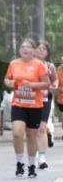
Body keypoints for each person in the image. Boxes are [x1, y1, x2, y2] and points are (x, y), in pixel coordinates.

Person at [5, 38, 51, 178]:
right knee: (17, 133)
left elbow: (46, 84)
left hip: (35, 105)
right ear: (19, 50)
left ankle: (31, 165)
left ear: (33, 51)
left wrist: (31, 85)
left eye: (28, 47)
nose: (25, 49)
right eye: (23, 47)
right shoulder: (14, 63)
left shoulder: (39, 65)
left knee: (31, 136)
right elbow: (6, 80)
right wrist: (11, 82)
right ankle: (20, 162)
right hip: (18, 104)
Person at [34, 40, 58, 170]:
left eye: (44, 49)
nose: (41, 51)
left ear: (47, 52)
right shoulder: (29, 65)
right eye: (39, 48)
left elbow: (55, 80)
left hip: (46, 100)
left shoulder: (50, 66)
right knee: (34, 130)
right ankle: (35, 155)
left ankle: (41, 158)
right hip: (32, 101)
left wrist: (54, 86)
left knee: (42, 128)